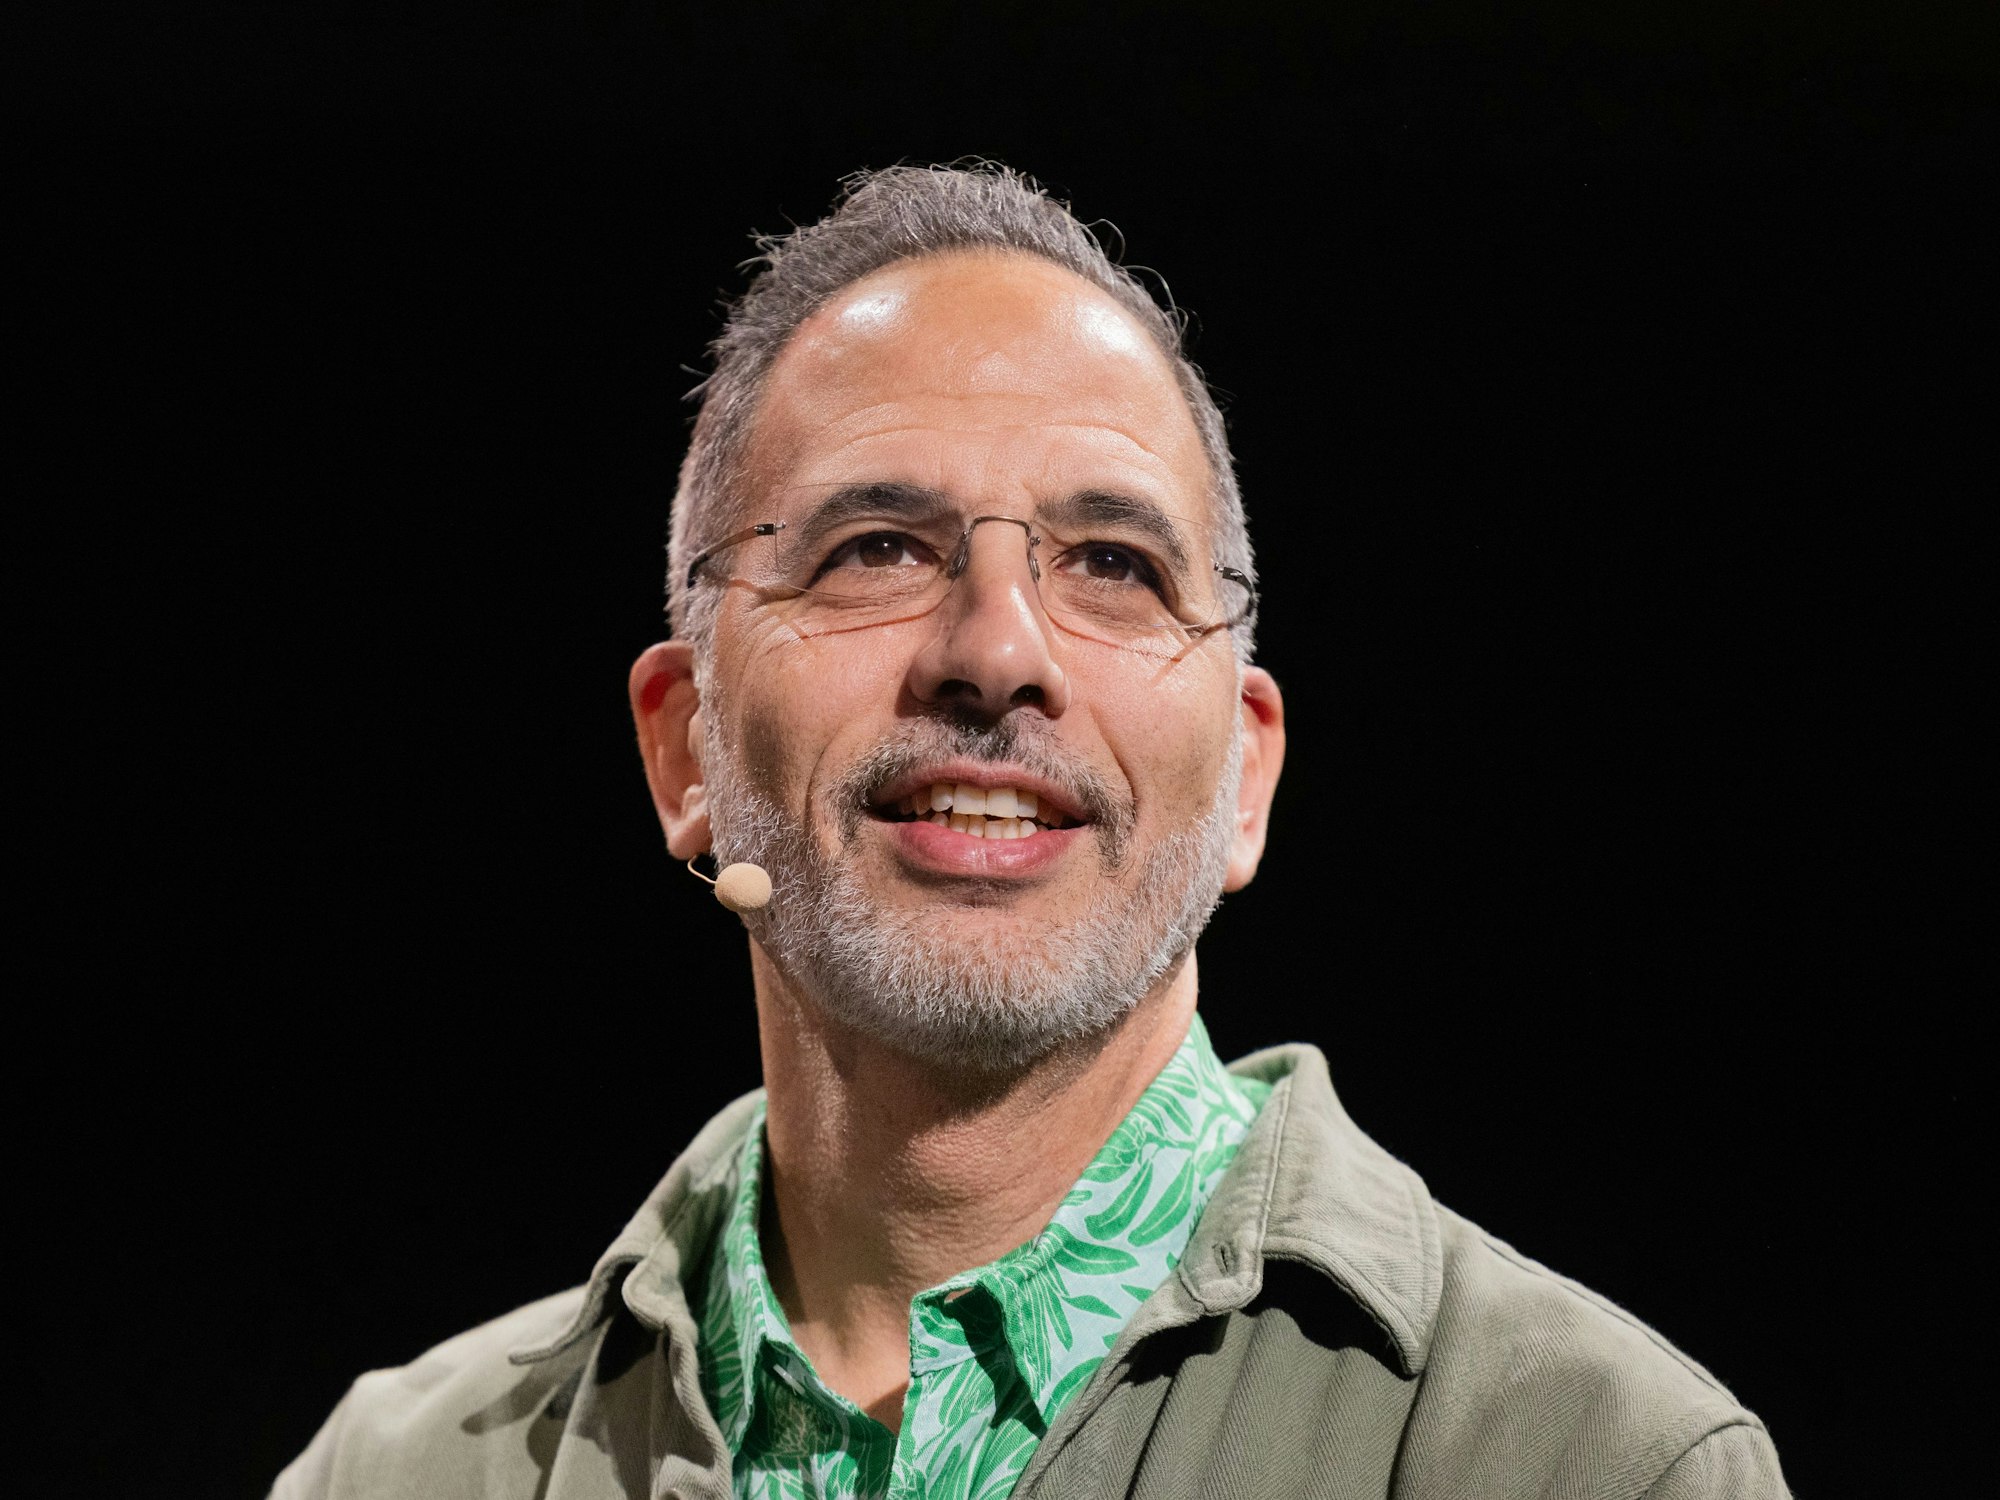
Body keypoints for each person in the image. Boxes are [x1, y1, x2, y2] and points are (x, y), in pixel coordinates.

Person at [274, 163, 1787, 1500]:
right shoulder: (395, 1473)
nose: (997, 651)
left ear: (1246, 777)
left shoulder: (1588, 1463)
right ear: (685, 744)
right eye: (877, 547)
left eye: (1115, 565)